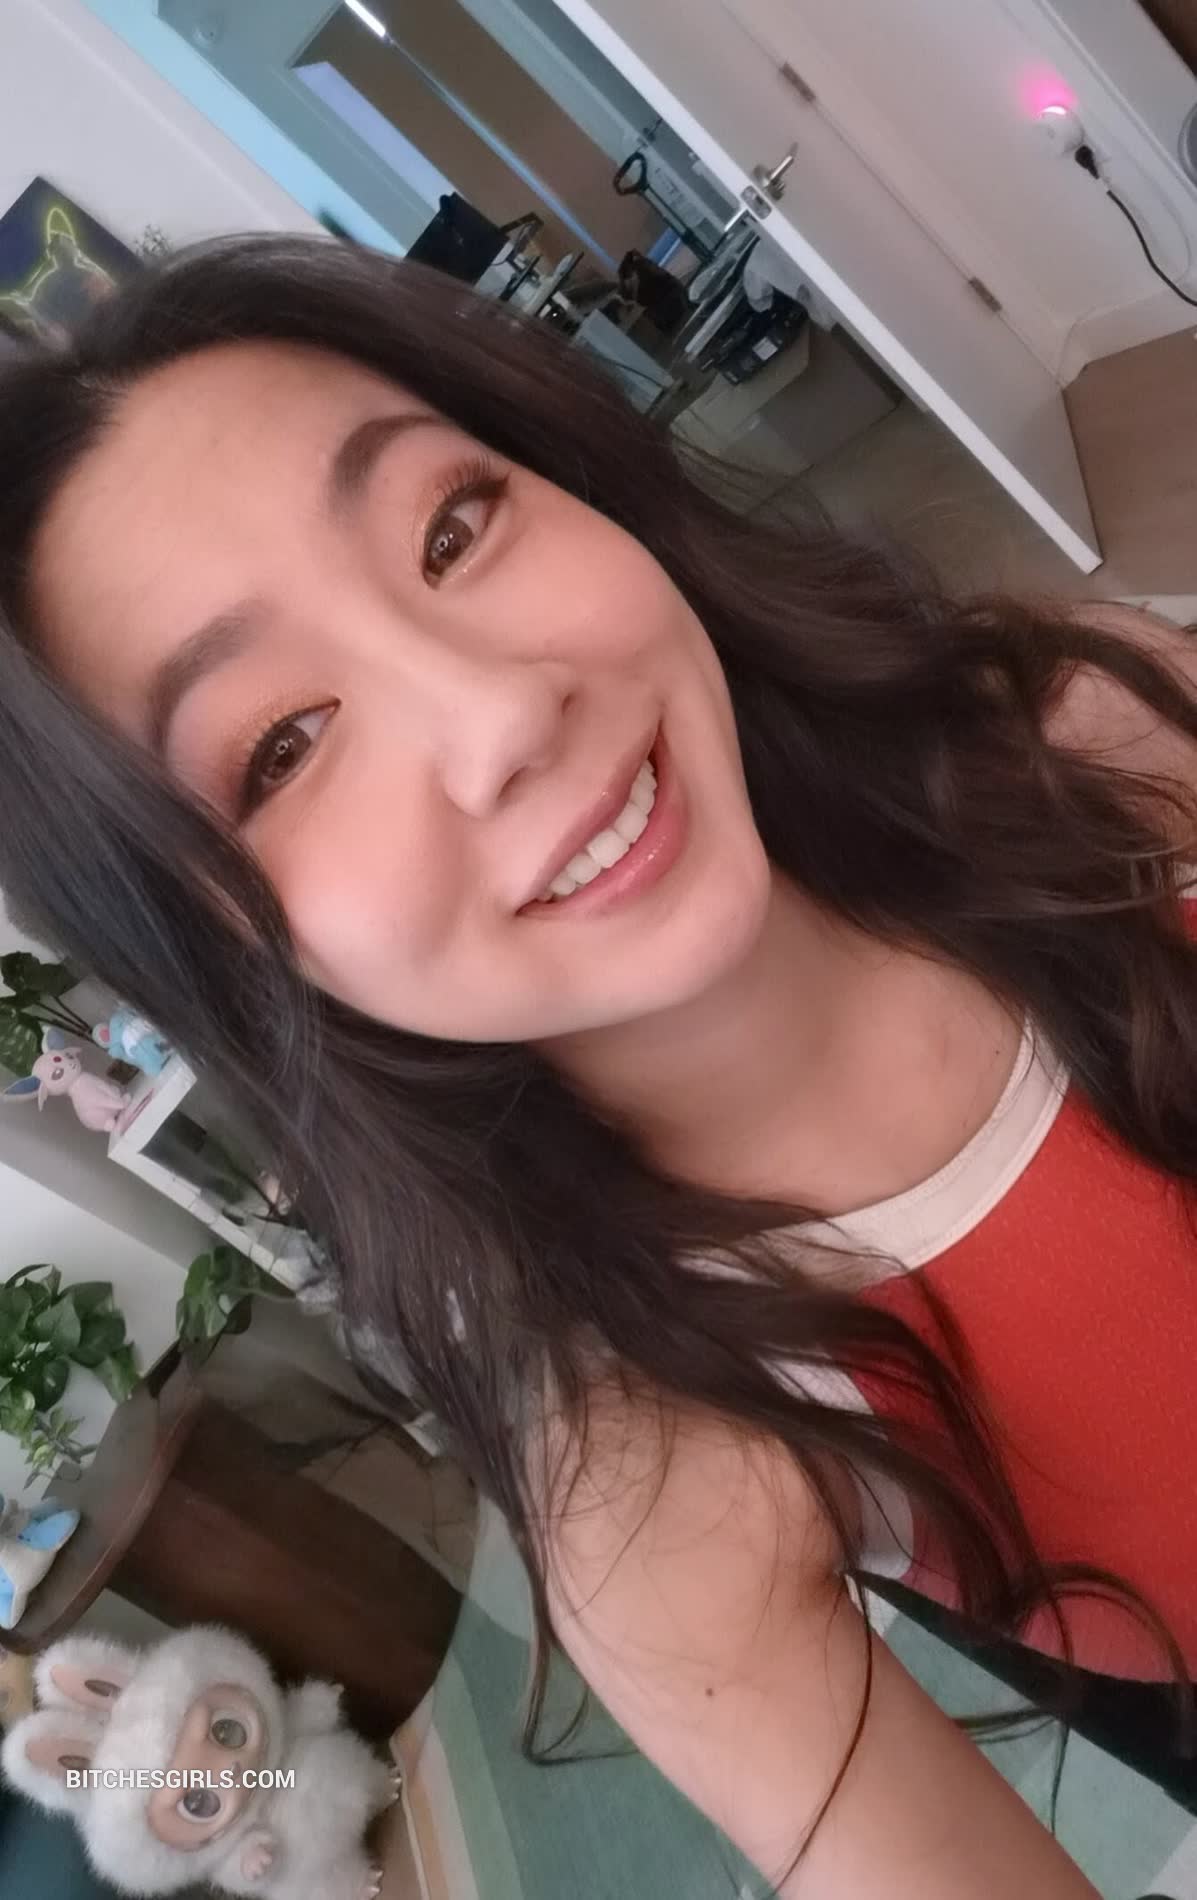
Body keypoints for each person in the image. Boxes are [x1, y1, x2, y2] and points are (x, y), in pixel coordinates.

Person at [0, 235, 1195, 1899]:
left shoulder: (1095, 740)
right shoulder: (664, 1476)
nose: (499, 717)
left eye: (451, 528)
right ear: (226, 956)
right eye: (284, 745)